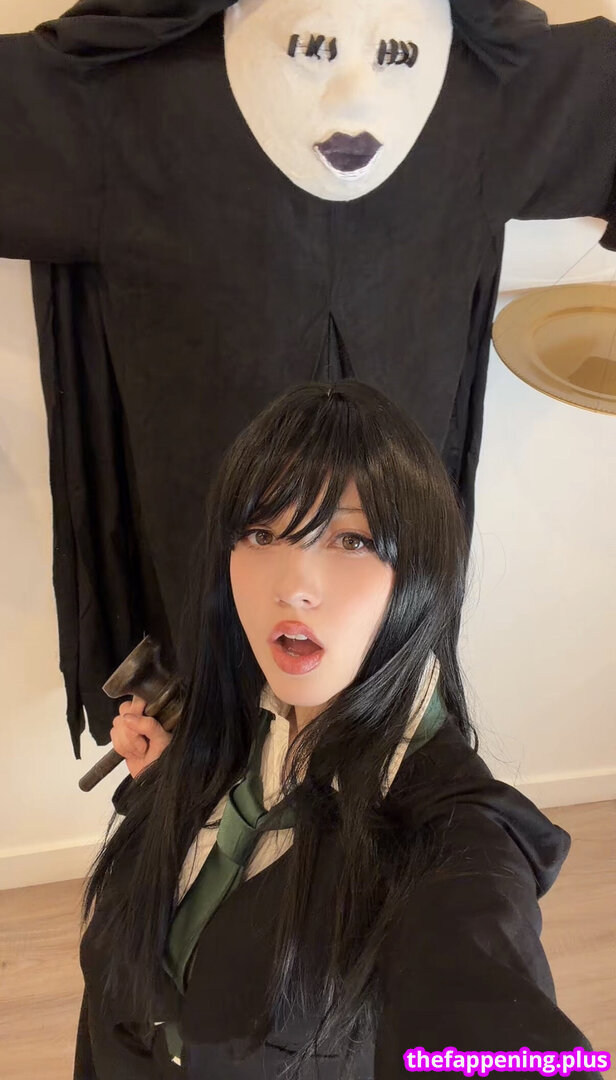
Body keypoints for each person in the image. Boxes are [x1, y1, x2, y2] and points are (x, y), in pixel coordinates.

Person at [2, 0, 615, 754]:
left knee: (374, 660)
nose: (353, 100)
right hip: (207, 495)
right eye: (313, 50)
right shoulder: (132, 92)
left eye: (393, 57)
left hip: (378, 504)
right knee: (222, 665)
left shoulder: (484, 87)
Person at [74, 380, 601, 1080]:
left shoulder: (452, 843)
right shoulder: (246, 714)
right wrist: (166, 789)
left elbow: (489, 1016)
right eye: (262, 534)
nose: (293, 585)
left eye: (351, 539)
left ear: (417, 572)